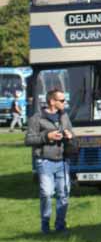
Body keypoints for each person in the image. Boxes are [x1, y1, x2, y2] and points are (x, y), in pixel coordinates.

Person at [24, 89, 74, 233]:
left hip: (63, 161)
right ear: (52, 101)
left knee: (64, 194)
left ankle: (60, 225)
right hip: (45, 161)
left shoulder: (64, 116)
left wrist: (70, 135)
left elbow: (72, 132)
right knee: (46, 193)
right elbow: (28, 139)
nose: (65, 103)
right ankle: (45, 225)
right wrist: (47, 136)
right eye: (62, 100)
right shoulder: (37, 118)